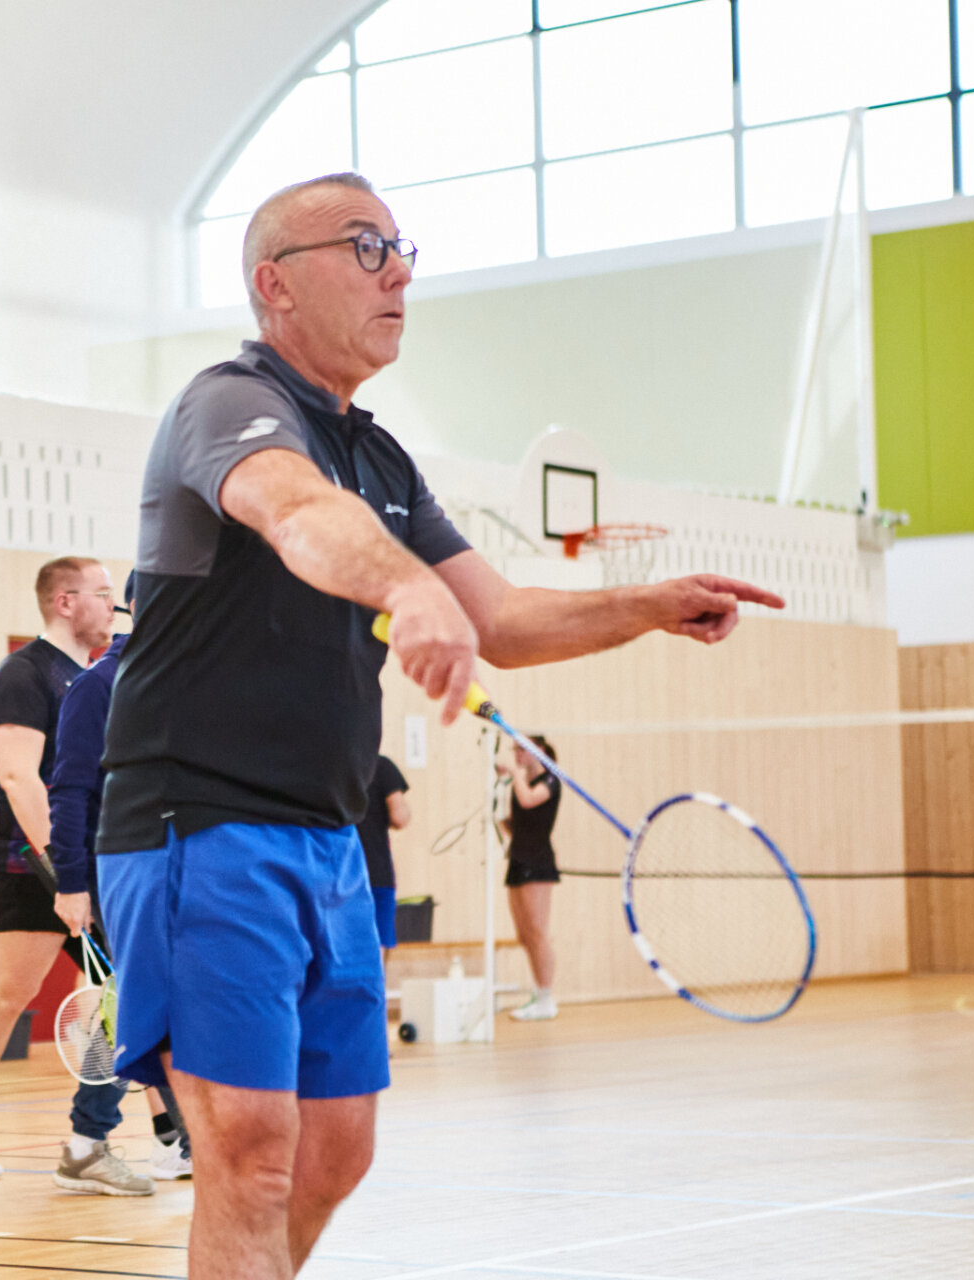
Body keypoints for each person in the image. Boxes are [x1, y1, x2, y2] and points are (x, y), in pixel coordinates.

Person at [94, 171, 783, 1280]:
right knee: (254, 1154)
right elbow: (296, 512)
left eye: (401, 248)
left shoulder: (384, 459)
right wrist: (407, 588)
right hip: (200, 825)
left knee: (334, 1151)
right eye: (366, 247)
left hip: (329, 839)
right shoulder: (228, 405)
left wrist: (646, 605)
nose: (399, 274)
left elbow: (499, 619)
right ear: (276, 284)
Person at [0, 555, 140, 1188]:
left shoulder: (93, 674)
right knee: (10, 996)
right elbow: (19, 776)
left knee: (128, 993)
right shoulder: (23, 674)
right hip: (33, 865)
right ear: (65, 602)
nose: (114, 606)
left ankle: (159, 1137)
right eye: (102, 593)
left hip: (93, 864)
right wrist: (63, 868)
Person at [47, 610, 192, 1186]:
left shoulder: (182, 676)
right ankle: (173, 1139)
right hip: (119, 873)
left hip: (178, 869)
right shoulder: (98, 686)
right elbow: (69, 790)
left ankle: (92, 1143)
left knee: (130, 1008)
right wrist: (71, 883)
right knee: (141, 1005)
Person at [496, 736, 562, 1020]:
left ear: (540, 751)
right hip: (518, 860)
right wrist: (499, 808)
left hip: (538, 862)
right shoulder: (522, 783)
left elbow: (528, 800)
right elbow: (515, 824)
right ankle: (538, 994)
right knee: (524, 935)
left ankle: (547, 998)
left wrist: (513, 773)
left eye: (522, 749)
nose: (517, 754)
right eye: (515, 750)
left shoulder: (551, 780)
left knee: (537, 931)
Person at [357, 754, 410, 959]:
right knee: (377, 947)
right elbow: (400, 817)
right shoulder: (381, 766)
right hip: (376, 873)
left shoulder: (331, 766)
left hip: (335, 872)